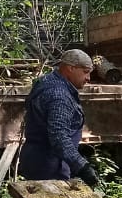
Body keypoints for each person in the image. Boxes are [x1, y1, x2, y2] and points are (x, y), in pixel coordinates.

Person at [19, 49, 99, 186]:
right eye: (86, 72)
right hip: (49, 168)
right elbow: (58, 136)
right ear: (70, 68)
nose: (88, 78)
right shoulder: (59, 96)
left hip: (35, 160)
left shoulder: (46, 80)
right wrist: (82, 167)